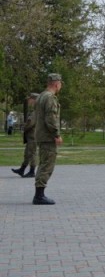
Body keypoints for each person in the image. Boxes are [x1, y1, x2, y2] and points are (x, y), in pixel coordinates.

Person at [32, 73, 63, 205]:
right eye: (60, 83)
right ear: (56, 84)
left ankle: (39, 194)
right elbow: (51, 118)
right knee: (46, 165)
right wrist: (56, 134)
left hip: (40, 135)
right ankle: (39, 196)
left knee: (43, 164)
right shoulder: (50, 98)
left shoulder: (40, 96)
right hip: (47, 136)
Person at [12, 93, 39, 178]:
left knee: (32, 153)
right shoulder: (35, 110)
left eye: (30, 99)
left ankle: (32, 171)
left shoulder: (36, 111)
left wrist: (24, 127)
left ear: (34, 100)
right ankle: (22, 169)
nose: (29, 101)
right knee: (27, 153)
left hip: (33, 136)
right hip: (30, 136)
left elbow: (30, 123)